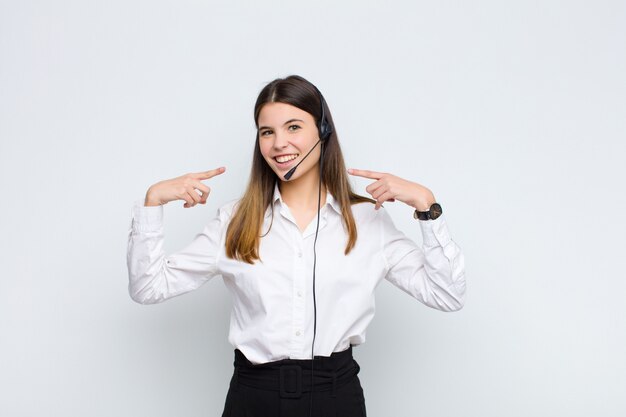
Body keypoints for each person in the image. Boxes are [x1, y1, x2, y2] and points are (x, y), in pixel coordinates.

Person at [126, 74, 466, 417]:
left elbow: (447, 294)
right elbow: (148, 287)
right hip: (254, 396)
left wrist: (427, 206)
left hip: (336, 395)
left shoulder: (368, 221)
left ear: (323, 132)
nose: (278, 144)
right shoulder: (235, 221)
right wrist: (152, 204)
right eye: (267, 132)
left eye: (293, 127)